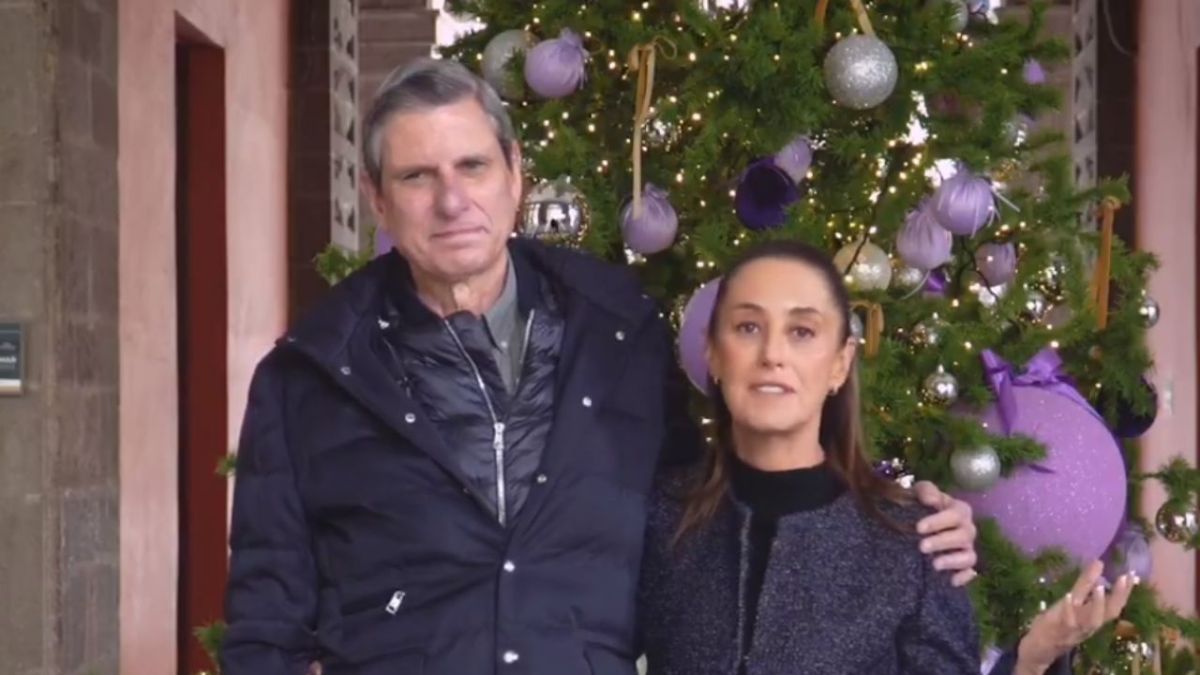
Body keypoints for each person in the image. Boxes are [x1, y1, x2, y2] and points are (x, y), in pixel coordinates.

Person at [218, 58, 979, 674]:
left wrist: (903, 524)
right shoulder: (309, 378)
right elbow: (264, 629)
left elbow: (708, 510)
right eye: (418, 177)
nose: (452, 200)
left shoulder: (615, 329)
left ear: (514, 175)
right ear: (379, 199)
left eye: (473, 166)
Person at [637, 241, 1136, 675]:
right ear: (715, 354)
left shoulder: (915, 541)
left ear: (840, 363)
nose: (772, 354)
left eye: (802, 332)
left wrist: (1028, 661)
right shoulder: (656, 518)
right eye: (748, 327)